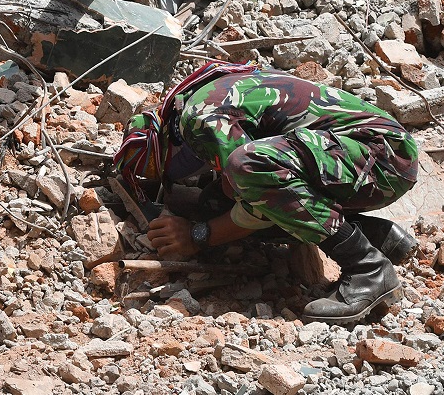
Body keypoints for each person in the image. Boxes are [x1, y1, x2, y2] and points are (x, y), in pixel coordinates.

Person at [114, 61, 419, 324]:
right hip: (371, 153)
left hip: (381, 155)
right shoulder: (200, 97)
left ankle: (368, 267)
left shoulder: (198, 117)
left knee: (247, 170)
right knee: (221, 199)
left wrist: (198, 236)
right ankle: (376, 235)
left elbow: (257, 187)